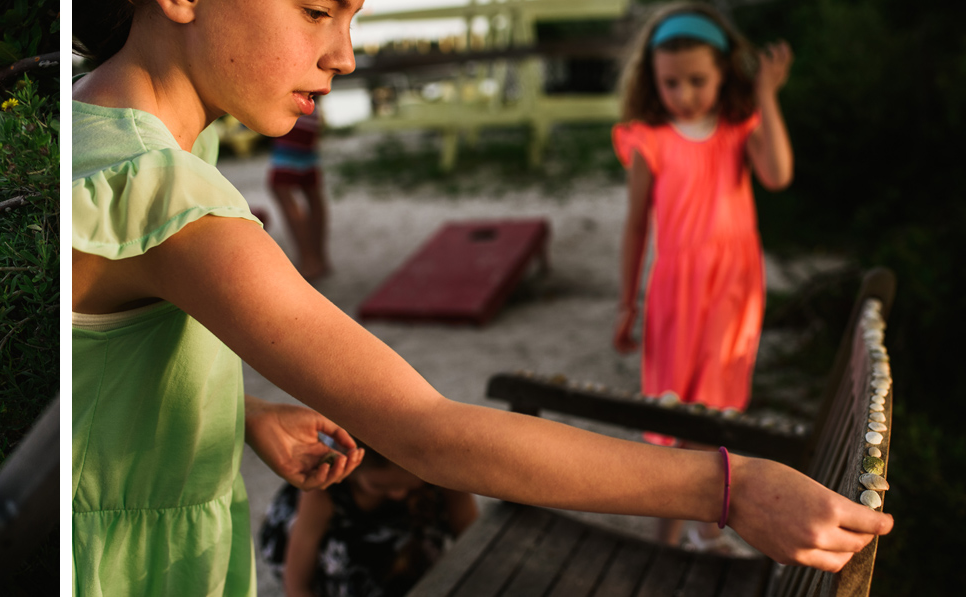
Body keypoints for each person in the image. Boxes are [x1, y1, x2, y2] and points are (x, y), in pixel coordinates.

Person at [70, 0, 884, 595]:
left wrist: (238, 412)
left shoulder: (99, 135)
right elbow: (427, 433)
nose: (345, 54)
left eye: (353, 17)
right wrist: (727, 488)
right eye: (317, 11)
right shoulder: (163, 195)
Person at [607, 4, 793, 550]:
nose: (685, 93)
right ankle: (670, 535)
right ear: (651, 78)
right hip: (675, 291)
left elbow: (778, 175)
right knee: (673, 412)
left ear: (724, 72)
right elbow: (636, 227)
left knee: (715, 413)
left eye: (697, 80)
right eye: (671, 82)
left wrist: (766, 96)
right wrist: (626, 303)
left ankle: (698, 532)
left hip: (733, 289)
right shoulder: (650, 139)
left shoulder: (739, 127)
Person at [258, 440, 477, 597]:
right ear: (351, 471)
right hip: (329, 550)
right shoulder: (325, 490)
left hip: (400, 547)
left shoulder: (440, 473)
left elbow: (473, 539)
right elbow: (297, 585)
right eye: (380, 486)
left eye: (407, 484)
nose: (397, 494)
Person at [267, 106, 333, 280]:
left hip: (295, 114)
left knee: (281, 187)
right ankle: (319, 258)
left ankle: (309, 262)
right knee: (309, 186)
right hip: (310, 113)